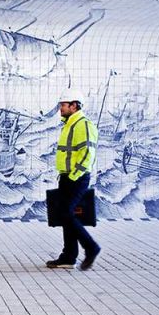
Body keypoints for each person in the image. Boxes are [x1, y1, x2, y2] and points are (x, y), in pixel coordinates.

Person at [46, 89, 101, 271]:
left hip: (76, 178)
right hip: (67, 177)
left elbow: (87, 153)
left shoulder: (83, 124)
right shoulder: (69, 124)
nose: (60, 108)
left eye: (64, 105)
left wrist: (74, 175)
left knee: (66, 214)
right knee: (65, 215)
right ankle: (68, 257)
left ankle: (91, 247)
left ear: (74, 105)